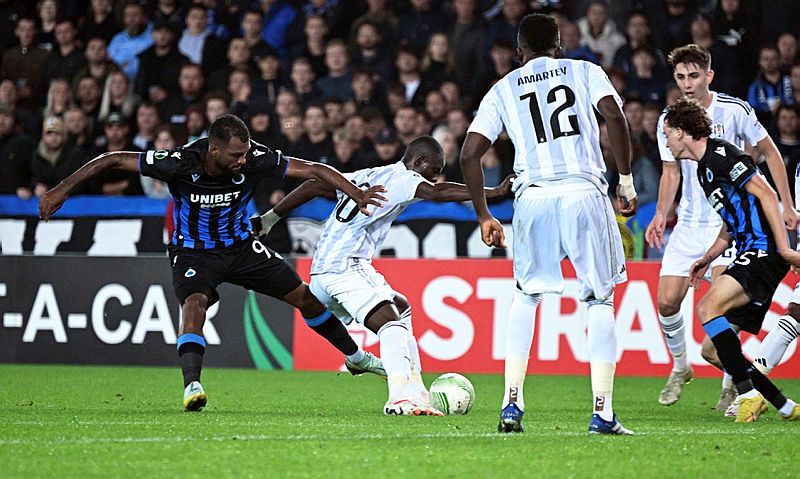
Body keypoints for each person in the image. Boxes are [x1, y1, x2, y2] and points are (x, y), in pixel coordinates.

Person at [38, 114, 388, 412]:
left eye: (245, 154)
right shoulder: (178, 162)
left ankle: (356, 358)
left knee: (305, 298)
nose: (242, 161)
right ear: (214, 149)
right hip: (193, 251)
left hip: (241, 247)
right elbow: (112, 159)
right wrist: (61, 189)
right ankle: (192, 385)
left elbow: (313, 168)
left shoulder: (254, 158)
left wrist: (356, 193)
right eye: (235, 155)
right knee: (195, 303)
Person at [459, 13, 638, 435]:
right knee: (600, 301)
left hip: (533, 196)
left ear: (519, 53)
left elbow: (469, 154)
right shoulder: (584, 70)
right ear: (559, 47)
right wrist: (625, 182)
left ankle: (511, 404)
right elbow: (615, 116)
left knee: (526, 297)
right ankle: (602, 413)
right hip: (583, 192)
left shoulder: (503, 88)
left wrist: (484, 212)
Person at [252, 135, 513, 415]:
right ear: (420, 162)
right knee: (391, 324)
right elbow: (437, 194)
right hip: (345, 266)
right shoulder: (404, 179)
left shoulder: (370, 174)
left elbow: (314, 185)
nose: (434, 179)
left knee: (400, 308)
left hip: (322, 270)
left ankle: (416, 392)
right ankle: (399, 398)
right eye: (433, 172)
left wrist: (270, 218)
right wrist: (493, 193)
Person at [644, 44, 798, 411]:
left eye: (693, 75)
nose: (686, 83)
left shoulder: (725, 140)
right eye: (680, 76)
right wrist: (665, 214)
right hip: (717, 231)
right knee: (704, 337)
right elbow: (673, 175)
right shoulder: (699, 164)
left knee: (709, 311)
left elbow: (763, 185)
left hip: (754, 246)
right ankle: (780, 404)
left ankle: (741, 391)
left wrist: (786, 237)